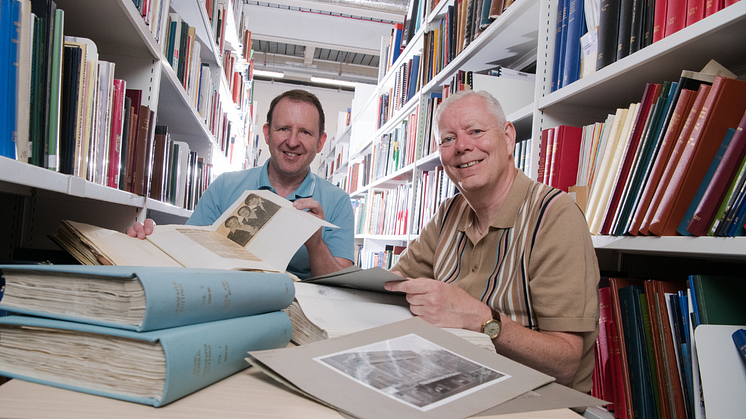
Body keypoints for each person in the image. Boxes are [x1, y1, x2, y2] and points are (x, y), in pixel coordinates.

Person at [384, 90, 600, 393]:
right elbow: (393, 284)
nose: (461, 147)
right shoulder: (448, 213)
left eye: (475, 131)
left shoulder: (555, 216)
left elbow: (564, 363)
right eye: (447, 139)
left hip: (532, 400)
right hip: (453, 383)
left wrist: (481, 319)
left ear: (508, 137)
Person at [128, 89, 355, 279]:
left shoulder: (338, 202)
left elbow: (341, 288)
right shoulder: (225, 186)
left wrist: (315, 244)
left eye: (304, 132)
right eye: (283, 129)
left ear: (320, 142)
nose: (293, 141)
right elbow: (188, 254)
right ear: (267, 133)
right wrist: (149, 243)